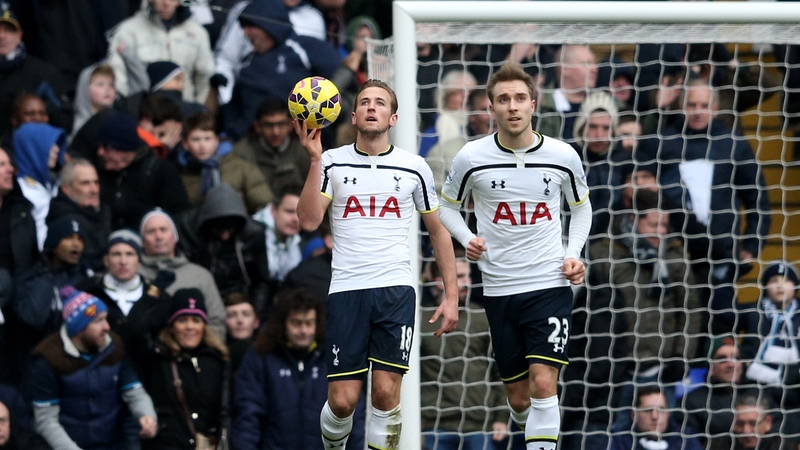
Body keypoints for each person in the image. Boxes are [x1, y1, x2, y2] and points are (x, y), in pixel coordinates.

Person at [294, 78, 459, 448]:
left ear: (393, 117)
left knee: (385, 395)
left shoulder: (413, 167)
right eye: (365, 102)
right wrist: (315, 159)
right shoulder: (332, 161)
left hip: (395, 291)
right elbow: (307, 221)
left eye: (380, 103)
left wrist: (452, 295)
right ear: (352, 116)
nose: (372, 107)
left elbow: (439, 232)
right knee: (342, 401)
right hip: (347, 290)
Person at [438, 61, 591, 450]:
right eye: (503, 99)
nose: (513, 106)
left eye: (520, 98)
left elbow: (581, 208)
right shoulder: (471, 157)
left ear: (534, 104)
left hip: (549, 283)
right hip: (499, 288)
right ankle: (528, 429)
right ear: (490, 108)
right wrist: (467, 238)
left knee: (544, 384)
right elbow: (446, 208)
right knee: (520, 399)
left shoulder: (562, 155)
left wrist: (572, 254)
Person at [636, 79, 771, 334]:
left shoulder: (733, 144)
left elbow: (757, 200)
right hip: (672, 252)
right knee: (674, 322)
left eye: (704, 105)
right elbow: (639, 188)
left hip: (720, 253)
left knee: (717, 324)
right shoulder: (661, 141)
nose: (698, 111)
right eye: (692, 104)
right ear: (681, 106)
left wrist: (752, 245)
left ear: (716, 108)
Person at [590, 189, 702, 427]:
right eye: (653, 224)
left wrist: (682, 357)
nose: (660, 232)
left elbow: (690, 309)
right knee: (613, 435)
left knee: (658, 435)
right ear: (634, 220)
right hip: (615, 371)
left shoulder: (674, 255)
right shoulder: (604, 253)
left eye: (664, 225)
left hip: (660, 370)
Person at [26, 286, 158, 450]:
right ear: (78, 329)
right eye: (98, 321)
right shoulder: (48, 359)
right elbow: (45, 421)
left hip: (114, 443)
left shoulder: (114, 346)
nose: (107, 327)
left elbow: (134, 391)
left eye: (105, 318)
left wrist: (147, 415)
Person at [232, 288, 366, 449]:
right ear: (283, 323)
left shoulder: (333, 357)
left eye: (309, 323)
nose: (303, 330)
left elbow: (354, 415)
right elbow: (248, 414)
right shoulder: (261, 356)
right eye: (296, 323)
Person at [420, 251, 509, 450]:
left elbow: (499, 371)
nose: (467, 282)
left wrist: (501, 417)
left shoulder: (482, 319)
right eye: (459, 277)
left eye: (468, 276)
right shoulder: (420, 320)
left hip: (480, 425)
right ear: (438, 282)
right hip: (433, 425)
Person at [135, 288, 229, 450]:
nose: (190, 327)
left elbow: (225, 411)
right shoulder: (158, 359)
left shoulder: (218, 360)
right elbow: (136, 331)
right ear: (171, 325)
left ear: (204, 326)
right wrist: (154, 296)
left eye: (196, 320)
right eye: (182, 320)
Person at [138, 208, 228, 338]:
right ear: (142, 240)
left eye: (164, 230)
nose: (158, 236)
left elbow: (217, 320)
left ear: (175, 237)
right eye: (151, 232)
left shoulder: (200, 275)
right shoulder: (133, 275)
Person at [94, 112, 190, 230]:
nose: (100, 152)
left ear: (125, 148)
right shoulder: (97, 173)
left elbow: (180, 215)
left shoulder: (159, 171)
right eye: (99, 147)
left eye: (106, 147)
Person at [106, 0, 215, 104]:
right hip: (145, 113)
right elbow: (117, 74)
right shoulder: (129, 31)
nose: (166, 3)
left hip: (184, 111)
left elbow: (205, 72)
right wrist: (133, 107)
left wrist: (196, 107)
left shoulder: (197, 33)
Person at [739, 261, 800, 434]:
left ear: (795, 286)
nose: (780, 285)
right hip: (757, 390)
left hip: (795, 392)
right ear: (765, 286)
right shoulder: (752, 311)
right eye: (774, 280)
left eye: (786, 280)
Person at [177, 112, 271, 214]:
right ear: (185, 144)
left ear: (216, 141)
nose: (202, 145)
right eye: (196, 139)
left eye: (207, 139)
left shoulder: (241, 168)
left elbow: (264, 205)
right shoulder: (180, 176)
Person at [232, 97, 311, 197]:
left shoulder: (303, 150)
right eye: (269, 125)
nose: (275, 132)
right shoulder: (242, 152)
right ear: (258, 127)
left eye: (281, 124)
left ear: (291, 125)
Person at [684, 336, 749, 450]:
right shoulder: (693, 403)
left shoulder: (758, 395)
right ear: (711, 368)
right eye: (722, 359)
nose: (731, 364)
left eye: (736, 358)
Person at [46, 158, 111, 271]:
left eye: (96, 182)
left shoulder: (103, 211)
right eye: (85, 183)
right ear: (66, 189)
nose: (94, 189)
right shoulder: (63, 218)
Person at [12, 122, 67, 249]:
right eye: (49, 143)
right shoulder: (20, 190)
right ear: (33, 148)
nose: (56, 149)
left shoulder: (51, 182)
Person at [607, 386, 703, 450]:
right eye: (648, 410)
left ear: (668, 413)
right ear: (633, 415)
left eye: (661, 410)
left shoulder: (685, 437)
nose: (655, 416)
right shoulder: (618, 439)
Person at [252, 184, 304, 289]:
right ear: (273, 210)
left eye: (301, 214)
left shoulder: (299, 241)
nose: (296, 219)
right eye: (290, 211)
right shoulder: (253, 234)